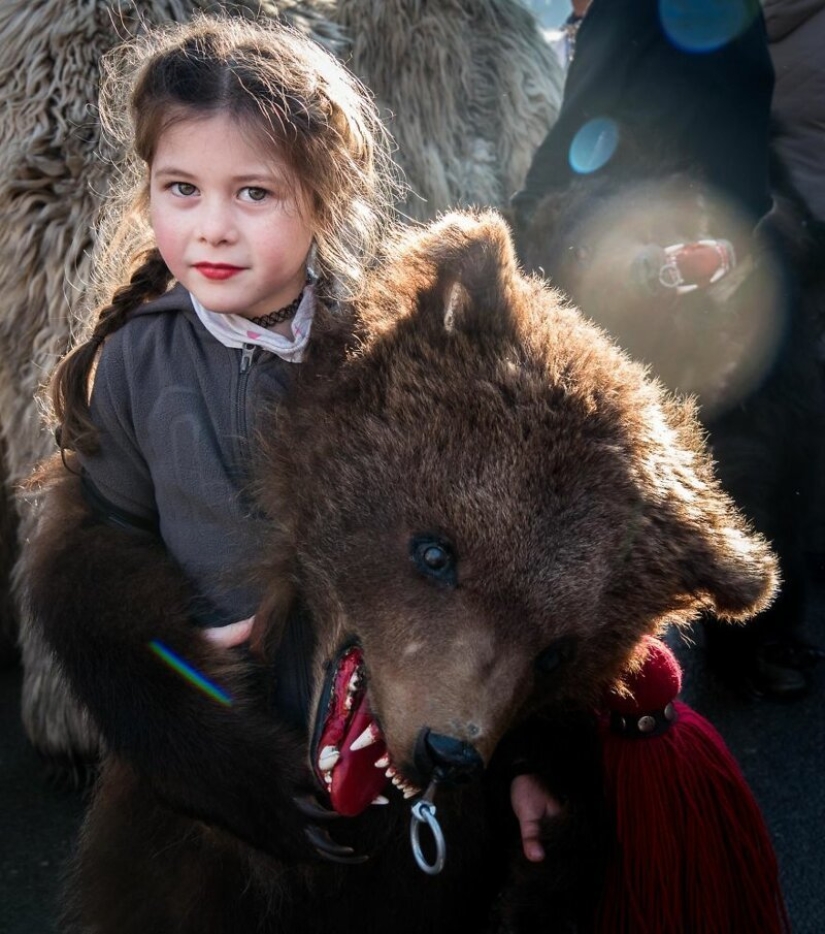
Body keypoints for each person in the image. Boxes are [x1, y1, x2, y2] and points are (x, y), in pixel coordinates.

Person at [25, 13, 557, 867]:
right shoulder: (133, 358)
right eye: (181, 188)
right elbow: (104, 553)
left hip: (380, 729)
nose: (211, 228)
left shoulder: (389, 357)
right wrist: (175, 664)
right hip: (222, 754)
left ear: (325, 196)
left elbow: (487, 574)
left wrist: (522, 756)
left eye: (254, 193)